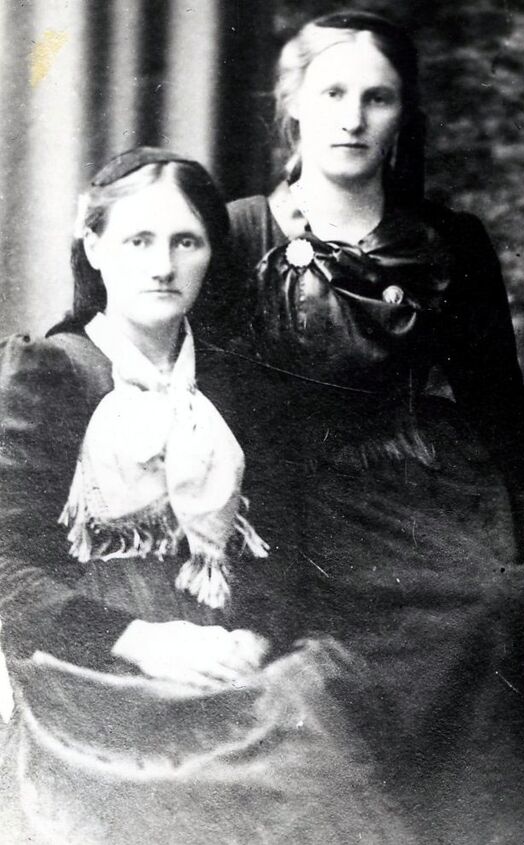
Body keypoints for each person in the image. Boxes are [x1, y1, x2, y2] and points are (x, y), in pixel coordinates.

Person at [198, 10, 524, 844]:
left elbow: (500, 402)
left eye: (377, 98)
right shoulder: (239, 234)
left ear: (402, 115)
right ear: (292, 104)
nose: (352, 118)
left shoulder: (450, 242)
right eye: (333, 94)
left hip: (423, 483)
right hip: (284, 497)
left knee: (503, 609)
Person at [0, 147, 414, 845]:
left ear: (210, 254)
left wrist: (255, 635)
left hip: (229, 657)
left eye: (185, 242)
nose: (163, 265)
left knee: (310, 722)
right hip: (93, 672)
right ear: (95, 248)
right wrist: (139, 641)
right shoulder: (48, 375)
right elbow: (5, 569)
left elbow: (286, 546)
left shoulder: (238, 385)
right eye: (138, 241)